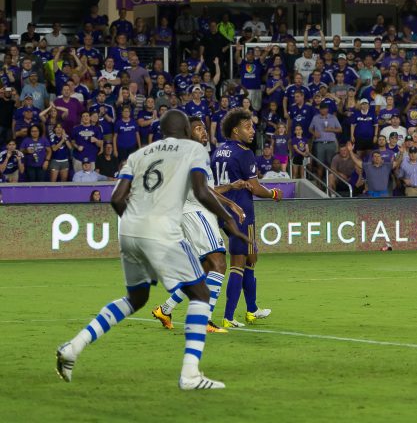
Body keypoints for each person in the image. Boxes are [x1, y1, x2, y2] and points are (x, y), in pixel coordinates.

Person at [55, 109, 249, 390]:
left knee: (136, 298)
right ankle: (190, 375)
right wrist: (229, 221)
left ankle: (73, 348)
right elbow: (203, 191)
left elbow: (117, 198)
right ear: (184, 130)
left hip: (131, 229)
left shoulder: (139, 156)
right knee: (201, 290)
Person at [152, 116, 247, 335]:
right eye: (197, 129)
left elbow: (208, 187)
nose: (203, 132)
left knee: (202, 270)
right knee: (219, 262)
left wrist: (230, 187)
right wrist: (231, 203)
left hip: (193, 212)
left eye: (203, 128)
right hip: (196, 211)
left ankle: (165, 309)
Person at [213, 109, 282, 329]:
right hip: (241, 212)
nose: (252, 131)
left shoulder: (218, 150)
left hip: (222, 210)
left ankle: (252, 310)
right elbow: (254, 187)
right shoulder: (244, 153)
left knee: (252, 258)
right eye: (247, 126)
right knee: (239, 263)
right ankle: (228, 316)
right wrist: (273, 194)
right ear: (235, 130)